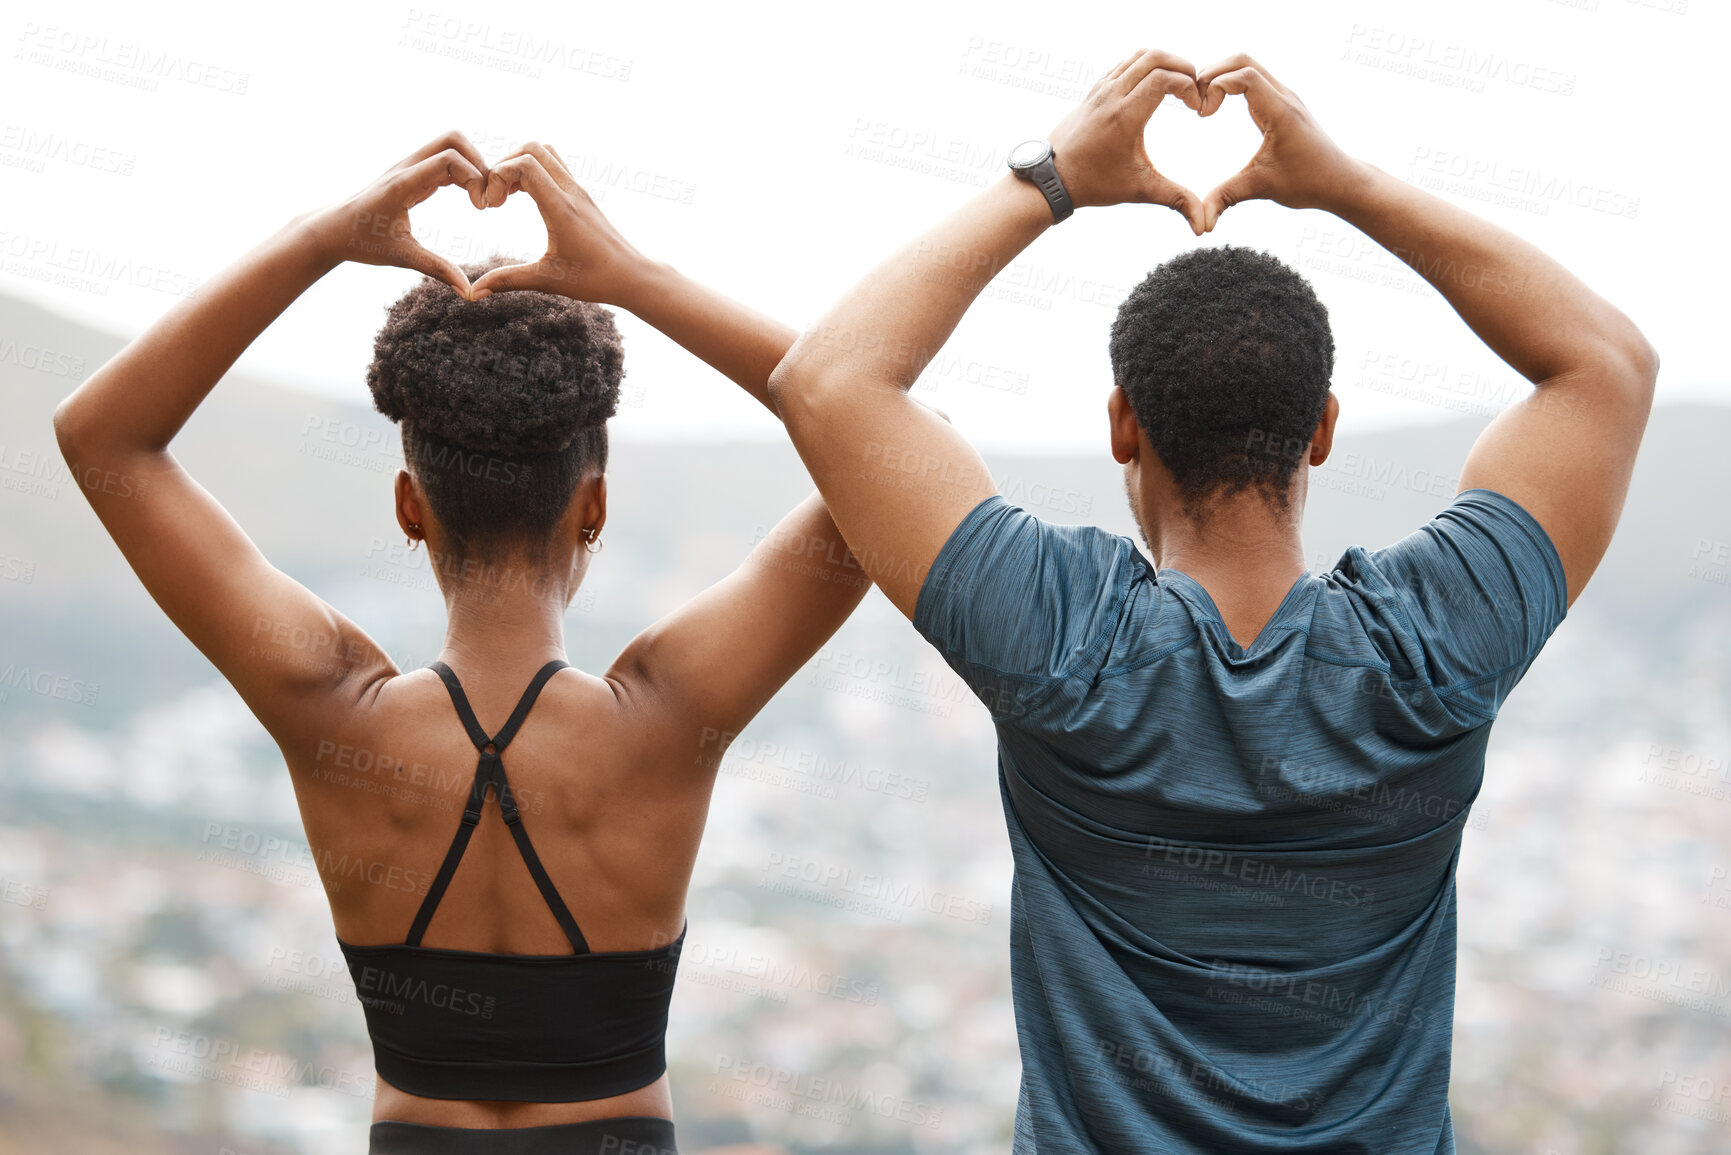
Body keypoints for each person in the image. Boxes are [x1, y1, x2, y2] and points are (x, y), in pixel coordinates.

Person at [766, 49, 1658, 1153]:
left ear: (1122, 426)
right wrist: (1344, 183)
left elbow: (827, 379)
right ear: (1323, 429)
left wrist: (1050, 182)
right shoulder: (1434, 648)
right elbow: (1605, 367)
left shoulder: (1062, 641)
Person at [53, 133, 870, 1154]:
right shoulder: (671, 711)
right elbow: (884, 447)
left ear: (409, 506)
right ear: (594, 506)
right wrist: (638, 280)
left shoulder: (322, 700)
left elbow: (104, 439)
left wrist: (324, 239)